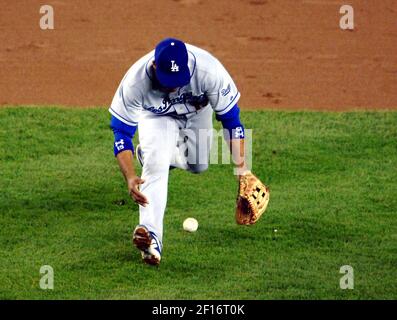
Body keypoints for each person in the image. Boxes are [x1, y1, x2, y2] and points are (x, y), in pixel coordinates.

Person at [109, 38, 249, 266]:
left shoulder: (208, 70)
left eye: (178, 80)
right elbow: (121, 134)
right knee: (155, 167)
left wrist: (244, 171)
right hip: (157, 117)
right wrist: (131, 177)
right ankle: (151, 237)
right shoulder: (135, 83)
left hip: (196, 113)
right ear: (155, 67)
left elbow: (232, 121)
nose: (173, 86)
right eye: (167, 80)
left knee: (199, 164)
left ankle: (153, 156)